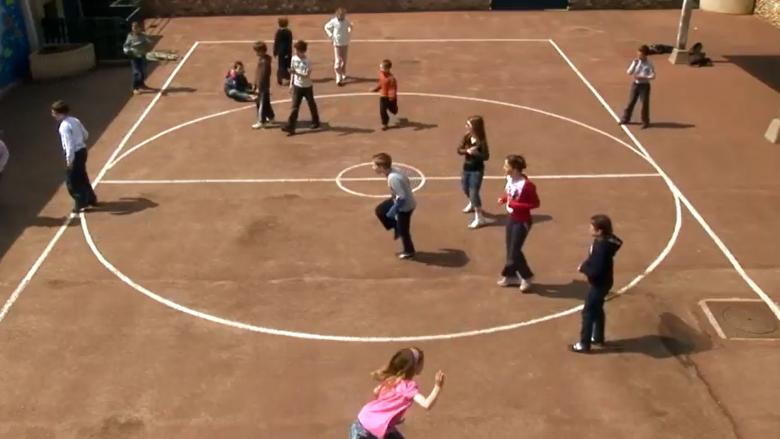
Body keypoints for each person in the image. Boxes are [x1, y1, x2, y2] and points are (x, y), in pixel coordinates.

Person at [350, 347, 445, 439]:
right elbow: (426, 404)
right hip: (368, 432)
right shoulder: (408, 387)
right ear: (415, 366)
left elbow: (376, 392)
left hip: (363, 424)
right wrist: (438, 386)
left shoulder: (392, 380)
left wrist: (392, 417)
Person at [571, 215, 623, 353]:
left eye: (592, 227)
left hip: (599, 284)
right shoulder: (609, 241)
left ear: (600, 231)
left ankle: (584, 343)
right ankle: (598, 337)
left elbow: (595, 271)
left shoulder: (601, 248)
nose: (589, 228)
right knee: (597, 309)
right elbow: (618, 241)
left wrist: (583, 268)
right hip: (605, 281)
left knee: (588, 312)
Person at [497, 155, 540, 291]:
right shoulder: (510, 179)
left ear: (515, 169)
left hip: (522, 221)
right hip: (511, 217)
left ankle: (527, 277)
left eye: (506, 166)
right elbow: (509, 193)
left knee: (515, 251)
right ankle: (510, 276)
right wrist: (504, 199)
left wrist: (517, 205)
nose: (504, 168)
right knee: (510, 249)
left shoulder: (527, 186)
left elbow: (535, 203)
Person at [51, 101, 98, 213]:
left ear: (59, 113)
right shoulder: (75, 120)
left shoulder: (64, 127)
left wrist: (69, 160)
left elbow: (69, 145)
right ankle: (91, 198)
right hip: (82, 151)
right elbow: (86, 134)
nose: (53, 115)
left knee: (72, 181)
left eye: (54, 113)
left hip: (75, 154)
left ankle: (81, 202)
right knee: (82, 175)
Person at [372, 153, 417, 260]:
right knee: (380, 210)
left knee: (404, 231)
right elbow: (407, 180)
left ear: (381, 167)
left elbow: (402, 198)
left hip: (405, 206)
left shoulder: (393, 178)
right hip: (400, 200)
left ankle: (409, 251)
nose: (372, 167)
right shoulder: (394, 170)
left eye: (374, 165)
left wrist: (394, 211)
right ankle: (397, 227)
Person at [457, 116, 492, 229]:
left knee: (473, 192)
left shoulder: (482, 141)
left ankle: (479, 217)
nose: (466, 126)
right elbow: (459, 149)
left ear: (475, 127)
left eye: (468, 125)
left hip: (477, 170)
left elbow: (486, 156)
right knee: (465, 188)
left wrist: (476, 153)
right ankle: (472, 203)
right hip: (466, 168)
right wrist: (467, 150)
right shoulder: (467, 136)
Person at [282, 40, 320, 136]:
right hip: (297, 86)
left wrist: (295, 73)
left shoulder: (308, 62)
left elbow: (306, 75)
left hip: (307, 86)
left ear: (302, 51)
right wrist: (291, 84)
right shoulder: (294, 58)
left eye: (297, 50)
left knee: (311, 104)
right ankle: (290, 127)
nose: (295, 52)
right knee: (294, 107)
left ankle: (316, 121)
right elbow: (292, 72)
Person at [619, 45, 655, 129]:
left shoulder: (649, 64)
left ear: (645, 55)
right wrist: (634, 64)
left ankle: (645, 121)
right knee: (631, 102)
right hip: (635, 84)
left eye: (640, 54)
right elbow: (629, 72)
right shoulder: (636, 62)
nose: (638, 56)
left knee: (644, 104)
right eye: (638, 54)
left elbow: (653, 76)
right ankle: (625, 118)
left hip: (645, 86)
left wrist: (644, 77)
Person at [324, 7, 353, 86]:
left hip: (345, 43)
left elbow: (350, 26)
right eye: (340, 15)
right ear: (337, 15)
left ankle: (343, 72)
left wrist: (349, 32)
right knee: (337, 61)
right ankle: (338, 77)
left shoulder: (346, 21)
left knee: (344, 60)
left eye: (343, 15)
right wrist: (331, 35)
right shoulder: (333, 21)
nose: (342, 16)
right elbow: (326, 27)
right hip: (337, 43)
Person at [123, 21, 153, 95]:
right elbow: (126, 46)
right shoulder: (130, 36)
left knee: (143, 71)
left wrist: (148, 43)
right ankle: (134, 88)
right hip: (134, 57)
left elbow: (149, 43)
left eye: (136, 28)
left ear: (139, 28)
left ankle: (141, 84)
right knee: (137, 73)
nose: (135, 29)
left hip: (142, 56)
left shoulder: (143, 35)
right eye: (133, 28)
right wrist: (128, 51)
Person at [251, 42, 275, 129]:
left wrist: (258, 87)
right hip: (263, 86)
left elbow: (262, 75)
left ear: (261, 51)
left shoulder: (264, 62)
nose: (256, 53)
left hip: (262, 87)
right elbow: (258, 73)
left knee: (260, 103)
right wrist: (255, 83)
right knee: (266, 102)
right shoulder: (263, 59)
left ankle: (261, 121)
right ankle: (271, 117)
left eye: (257, 51)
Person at [369, 59, 399, 130]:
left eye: (382, 67)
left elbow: (393, 89)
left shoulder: (391, 79)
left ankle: (395, 109)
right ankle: (385, 124)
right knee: (382, 111)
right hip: (383, 97)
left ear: (387, 69)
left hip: (391, 98)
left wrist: (392, 97)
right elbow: (381, 84)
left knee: (393, 111)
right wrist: (375, 89)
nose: (380, 68)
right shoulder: (381, 75)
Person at [273, 17, 293, 86]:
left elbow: (276, 42)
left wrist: (275, 51)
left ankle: (280, 77)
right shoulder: (289, 32)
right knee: (288, 65)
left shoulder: (278, 32)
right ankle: (289, 77)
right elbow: (290, 43)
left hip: (281, 52)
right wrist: (290, 52)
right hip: (287, 51)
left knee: (281, 65)